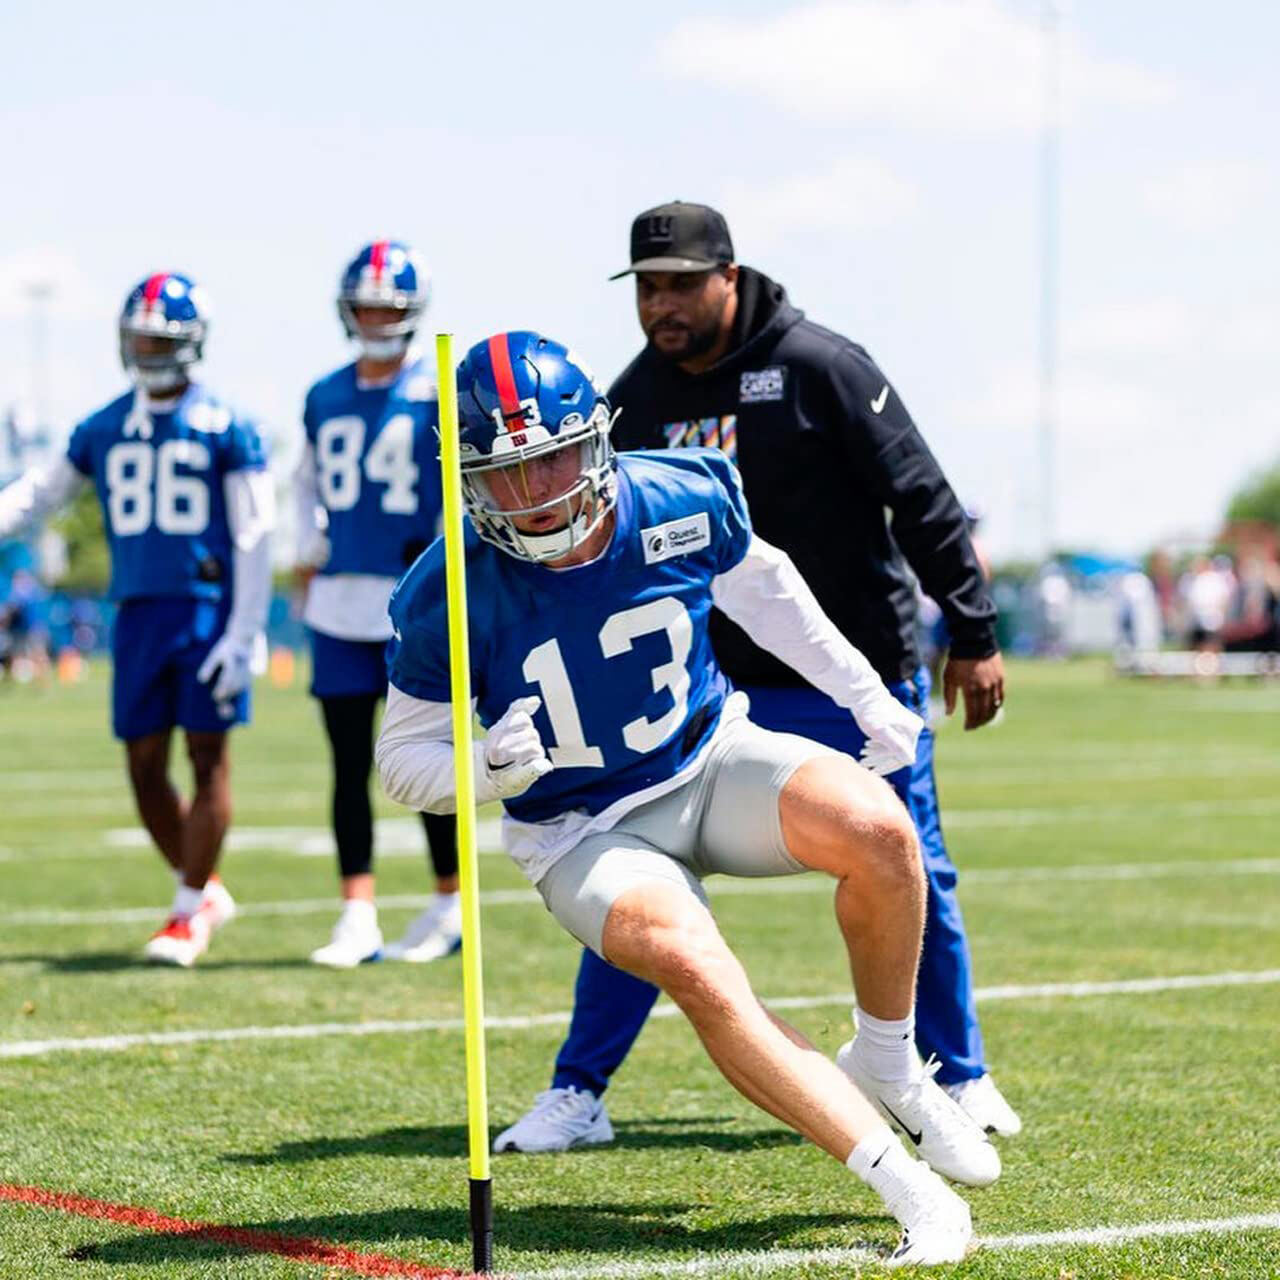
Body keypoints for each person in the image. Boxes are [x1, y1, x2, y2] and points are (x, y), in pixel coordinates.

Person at [377, 331, 1001, 1266]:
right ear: (466, 476)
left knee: (882, 828)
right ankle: (907, 1189)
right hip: (582, 826)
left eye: (548, 461)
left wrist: (866, 696)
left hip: (708, 758)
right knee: (694, 963)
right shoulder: (448, 586)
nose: (533, 494)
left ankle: (889, 1057)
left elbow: (770, 596)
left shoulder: (680, 491)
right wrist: (483, 770)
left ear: (595, 442)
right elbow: (401, 762)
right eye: (503, 474)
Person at [496, 202, 1019, 1155]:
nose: (663, 304)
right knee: (634, 868)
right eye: (648, 286)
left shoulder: (822, 366)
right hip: (704, 696)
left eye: (682, 283)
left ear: (729, 276)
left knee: (906, 859)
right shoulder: (631, 398)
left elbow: (922, 494)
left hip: (848, 667)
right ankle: (580, 1089)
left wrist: (973, 628)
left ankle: (958, 1072)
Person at [0, 272, 274, 966]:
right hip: (139, 613)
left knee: (208, 758)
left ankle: (186, 913)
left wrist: (245, 631)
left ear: (191, 344)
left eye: (162, 336)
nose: (149, 346)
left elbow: (253, 535)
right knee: (143, 766)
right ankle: (204, 888)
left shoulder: (227, 425)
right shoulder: (103, 424)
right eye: (141, 335)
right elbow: (40, 492)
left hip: (207, 609)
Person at [295, 240, 460, 967]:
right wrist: (308, 545)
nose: (375, 316)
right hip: (338, 599)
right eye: (366, 305)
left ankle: (447, 900)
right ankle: (356, 910)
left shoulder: (439, 389)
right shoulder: (324, 393)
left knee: (425, 755)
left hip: (413, 599)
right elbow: (301, 482)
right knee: (346, 763)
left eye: (388, 306)